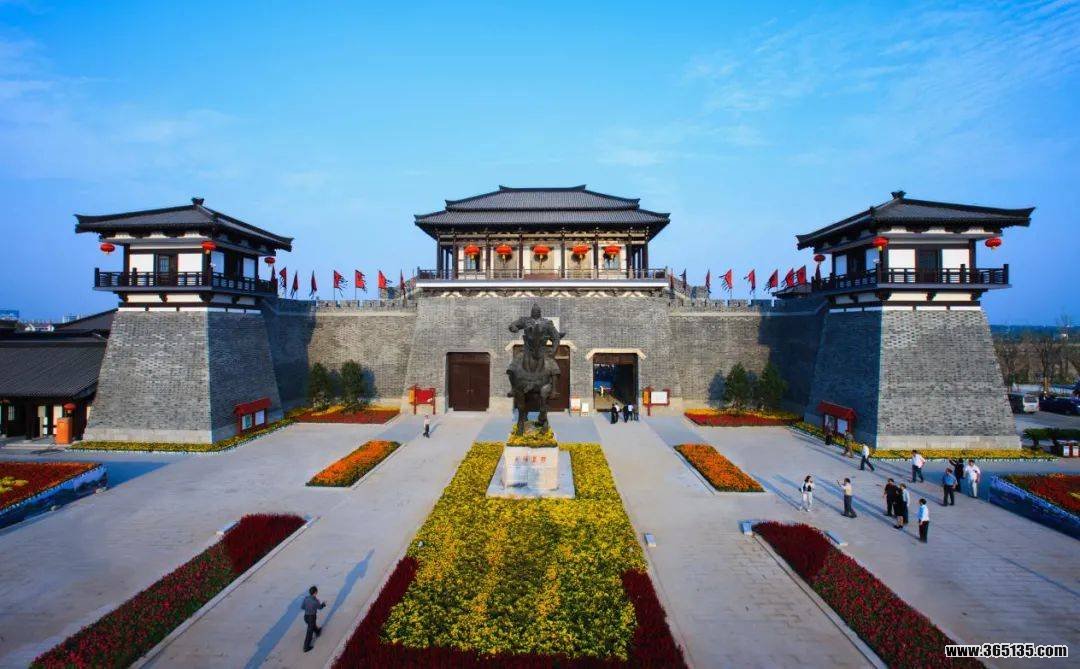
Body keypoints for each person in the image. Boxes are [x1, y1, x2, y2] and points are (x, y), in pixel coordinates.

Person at [301, 585, 326, 652]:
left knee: (312, 625)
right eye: (316, 591)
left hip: (306, 617)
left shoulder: (306, 598)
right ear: (315, 592)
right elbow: (320, 607)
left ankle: (318, 631)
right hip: (312, 617)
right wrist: (323, 604)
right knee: (309, 632)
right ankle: (306, 647)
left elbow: (302, 607)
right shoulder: (315, 601)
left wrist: (308, 607)